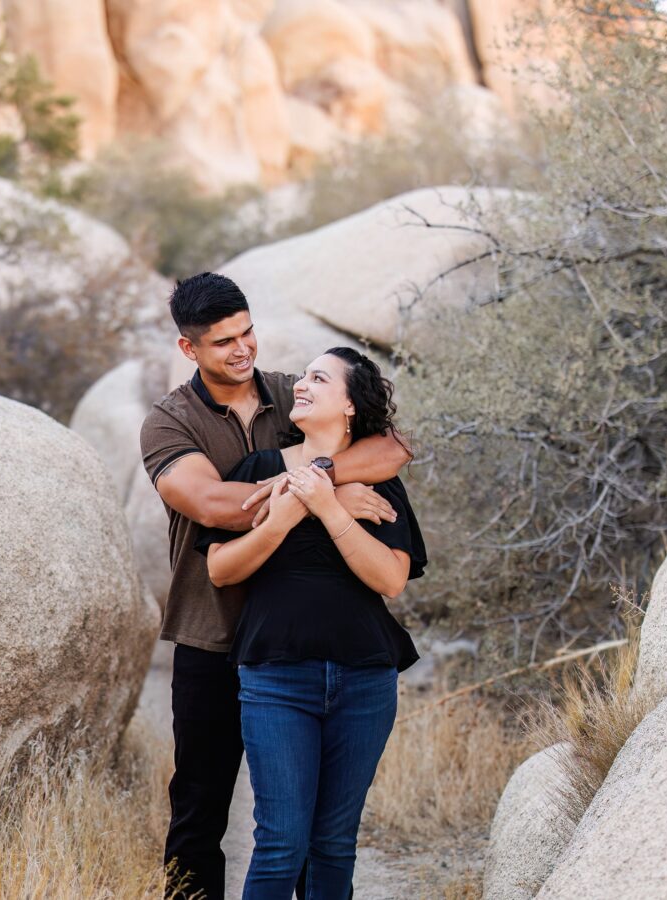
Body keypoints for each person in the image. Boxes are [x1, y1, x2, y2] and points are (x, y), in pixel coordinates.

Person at [140, 273, 411, 899]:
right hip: (213, 632)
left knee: (309, 827)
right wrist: (327, 491)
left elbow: (391, 447)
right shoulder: (169, 423)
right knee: (200, 809)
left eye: (247, 332)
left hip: (299, 637)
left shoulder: (293, 393)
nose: (242, 350)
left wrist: (320, 482)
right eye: (222, 343)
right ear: (189, 349)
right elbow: (213, 503)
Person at [199, 347, 424, 900]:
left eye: (318, 378)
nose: (301, 384)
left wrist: (328, 507)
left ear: (349, 405)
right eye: (302, 376)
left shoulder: (379, 482)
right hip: (276, 680)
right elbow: (222, 570)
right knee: (280, 844)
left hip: (365, 681)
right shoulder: (260, 470)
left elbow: (391, 580)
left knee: (334, 845)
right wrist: (296, 506)